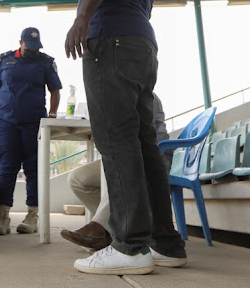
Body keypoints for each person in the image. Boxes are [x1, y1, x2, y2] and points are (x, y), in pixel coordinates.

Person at [64, 0, 186, 275]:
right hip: (140, 44)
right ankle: (165, 242)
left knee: (116, 141)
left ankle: (129, 247)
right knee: (145, 145)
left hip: (112, 40)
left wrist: (83, 17)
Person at [61, 93, 172, 252]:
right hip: (126, 156)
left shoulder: (146, 95)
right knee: (77, 178)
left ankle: (100, 228)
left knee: (115, 165)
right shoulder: (111, 93)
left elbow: (138, 133)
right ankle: (115, 229)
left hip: (155, 157)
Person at [0, 27, 63, 236]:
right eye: (28, 46)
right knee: (7, 167)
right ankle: (2, 216)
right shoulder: (6, 60)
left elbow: (55, 90)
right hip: (6, 121)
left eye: (35, 47)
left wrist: (53, 115)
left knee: (33, 168)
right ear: (20, 42)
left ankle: (32, 215)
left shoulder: (45, 62)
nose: (32, 50)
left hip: (33, 122)